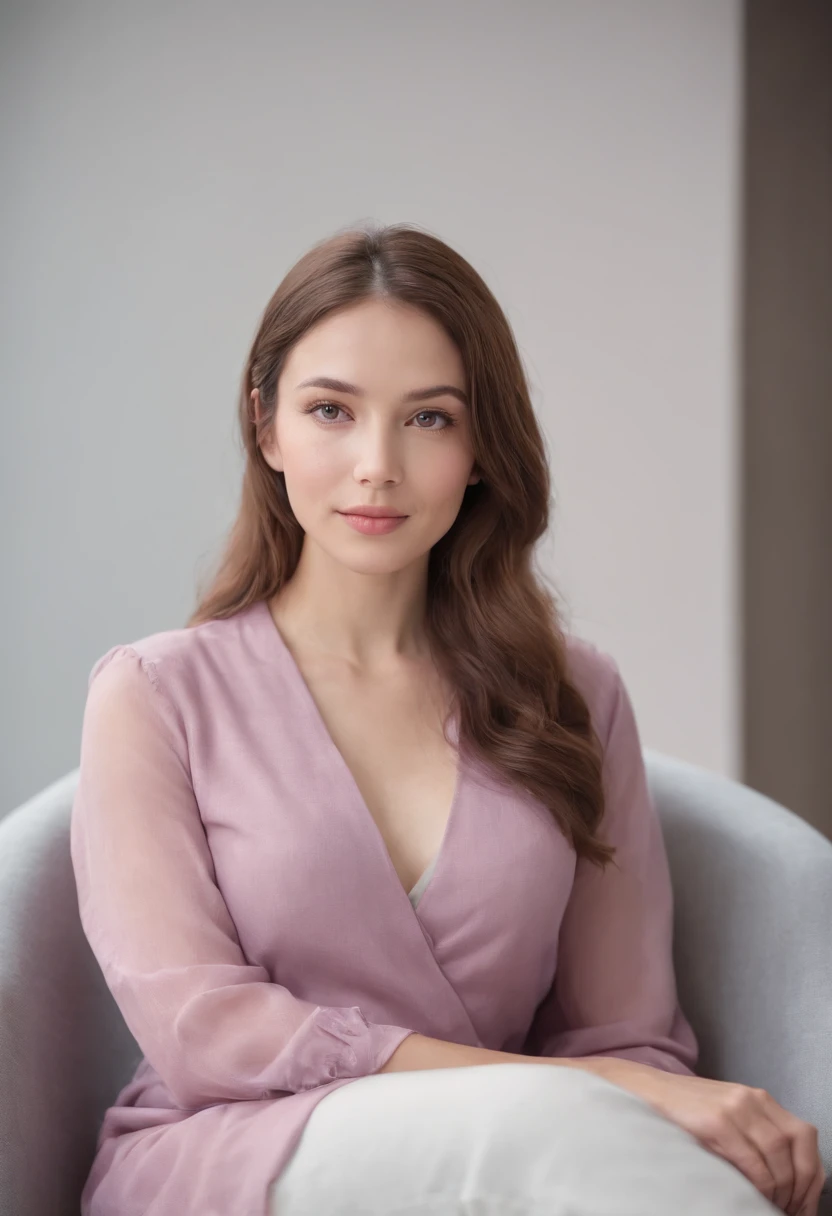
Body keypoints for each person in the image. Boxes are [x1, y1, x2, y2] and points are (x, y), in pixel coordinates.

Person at [71, 223, 826, 1216]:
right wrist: (570, 1093)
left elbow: (627, 1035)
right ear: (267, 428)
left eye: (428, 419)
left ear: (479, 449)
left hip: (531, 1168)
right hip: (230, 1160)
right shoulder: (154, 693)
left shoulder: (574, 695)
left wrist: (605, 1091)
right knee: (554, 1135)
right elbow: (204, 1030)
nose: (376, 464)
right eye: (331, 410)